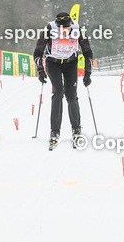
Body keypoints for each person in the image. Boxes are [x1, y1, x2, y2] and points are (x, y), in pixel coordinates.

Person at [33, 12, 94, 147]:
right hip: (53, 63)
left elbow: (88, 53)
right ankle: (55, 131)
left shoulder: (79, 31)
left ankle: (76, 129)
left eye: (65, 28)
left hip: (70, 64)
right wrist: (41, 71)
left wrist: (87, 73)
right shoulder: (49, 29)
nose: (63, 31)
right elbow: (37, 53)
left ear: (71, 25)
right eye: (60, 28)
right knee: (58, 92)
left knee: (71, 96)